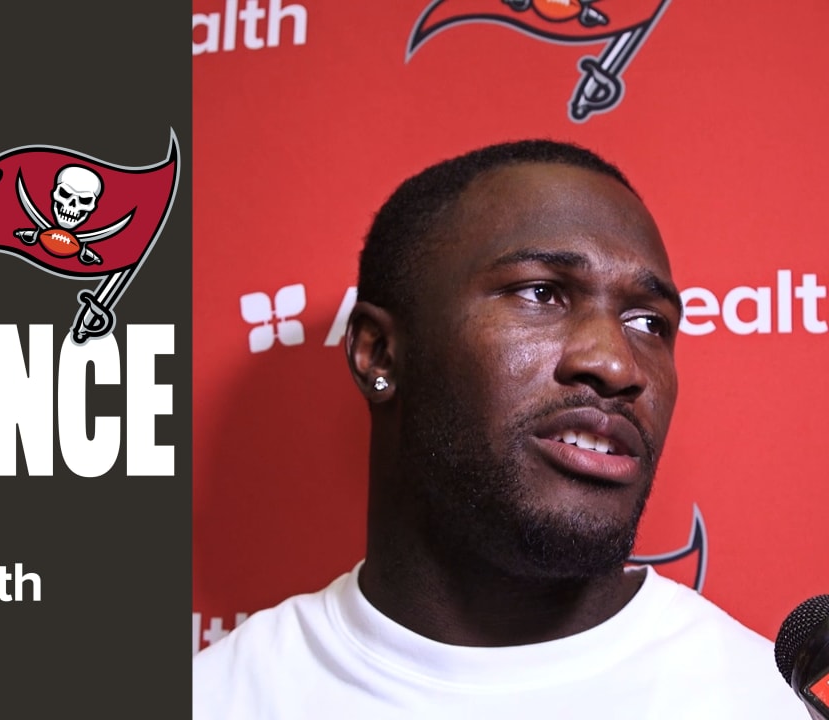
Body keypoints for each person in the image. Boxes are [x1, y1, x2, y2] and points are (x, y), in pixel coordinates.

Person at [192, 140, 806, 718]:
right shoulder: (218, 699)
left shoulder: (763, 702)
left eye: (649, 322)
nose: (617, 363)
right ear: (378, 353)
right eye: (541, 293)